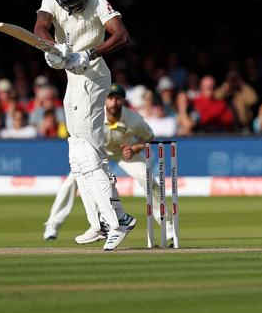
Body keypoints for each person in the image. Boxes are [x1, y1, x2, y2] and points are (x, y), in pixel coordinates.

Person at [34, 0, 132, 250]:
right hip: (73, 81)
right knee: (78, 157)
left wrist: (90, 53)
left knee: (88, 154)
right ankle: (99, 223)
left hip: (94, 76)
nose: (76, 3)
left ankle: (116, 222)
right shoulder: (50, 1)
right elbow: (40, 27)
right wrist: (54, 48)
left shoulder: (98, 2)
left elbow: (121, 35)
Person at [43, 84, 174, 241]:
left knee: (147, 179)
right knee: (71, 181)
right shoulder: (94, 115)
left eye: (118, 99)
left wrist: (134, 148)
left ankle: (168, 226)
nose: (114, 102)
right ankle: (53, 224)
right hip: (97, 152)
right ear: (105, 100)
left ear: (122, 101)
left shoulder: (133, 119)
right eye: (111, 98)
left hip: (123, 152)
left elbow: (149, 136)